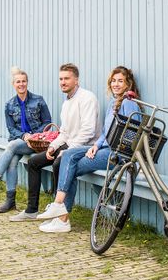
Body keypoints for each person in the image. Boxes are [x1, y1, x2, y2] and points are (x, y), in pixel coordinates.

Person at [35, 66, 141, 233]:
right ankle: (59, 212)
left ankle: (61, 215)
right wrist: (95, 146)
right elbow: (106, 132)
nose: (116, 84)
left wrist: (105, 147)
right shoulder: (113, 102)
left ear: (128, 83)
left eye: (120, 81)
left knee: (69, 165)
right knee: (68, 155)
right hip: (104, 149)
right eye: (113, 81)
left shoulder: (129, 103)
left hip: (118, 154)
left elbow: (133, 132)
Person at [9, 63, 100, 224]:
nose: (63, 82)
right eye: (60, 79)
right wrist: (53, 146)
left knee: (59, 162)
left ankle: (59, 214)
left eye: (67, 78)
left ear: (76, 80)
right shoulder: (66, 103)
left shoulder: (87, 98)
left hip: (86, 147)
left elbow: (89, 132)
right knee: (33, 162)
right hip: (70, 144)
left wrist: (68, 150)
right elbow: (64, 132)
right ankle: (32, 210)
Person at [0, 67, 53, 213]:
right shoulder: (9, 105)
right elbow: (11, 128)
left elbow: (47, 122)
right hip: (21, 141)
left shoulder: (38, 100)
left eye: (24, 81)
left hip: (37, 143)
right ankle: (10, 201)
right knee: (12, 161)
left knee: (11, 146)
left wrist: (34, 135)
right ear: (14, 84)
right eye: (18, 82)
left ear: (27, 83)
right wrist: (24, 136)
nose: (21, 84)